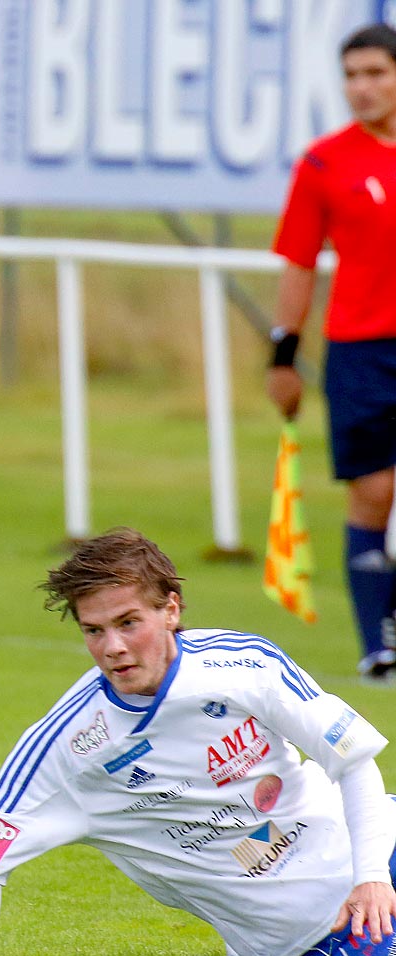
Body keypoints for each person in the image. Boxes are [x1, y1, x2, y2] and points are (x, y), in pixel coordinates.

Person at [0, 528, 396, 956]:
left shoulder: (244, 663)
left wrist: (373, 877)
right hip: (313, 928)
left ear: (170, 609)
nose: (113, 648)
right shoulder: (68, 745)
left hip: (378, 850)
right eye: (94, 630)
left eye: (128, 623)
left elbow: (353, 760)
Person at [268, 22, 396, 680]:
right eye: (352, 75)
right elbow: (297, 262)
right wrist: (282, 354)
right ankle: (379, 641)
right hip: (361, 349)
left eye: (375, 73)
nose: (362, 88)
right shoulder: (325, 162)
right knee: (374, 490)